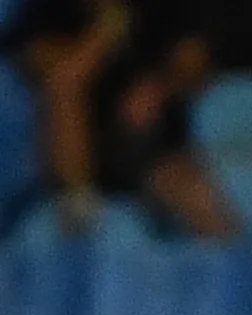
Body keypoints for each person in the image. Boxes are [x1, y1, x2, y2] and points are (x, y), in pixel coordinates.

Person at [14, 0, 234, 239]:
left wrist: (160, 87)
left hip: (144, 134)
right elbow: (60, 75)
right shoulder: (45, 12)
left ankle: (230, 255)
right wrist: (108, 30)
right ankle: (78, 205)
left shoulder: (156, 9)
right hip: (79, 140)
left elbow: (195, 59)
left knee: (195, 195)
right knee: (65, 96)